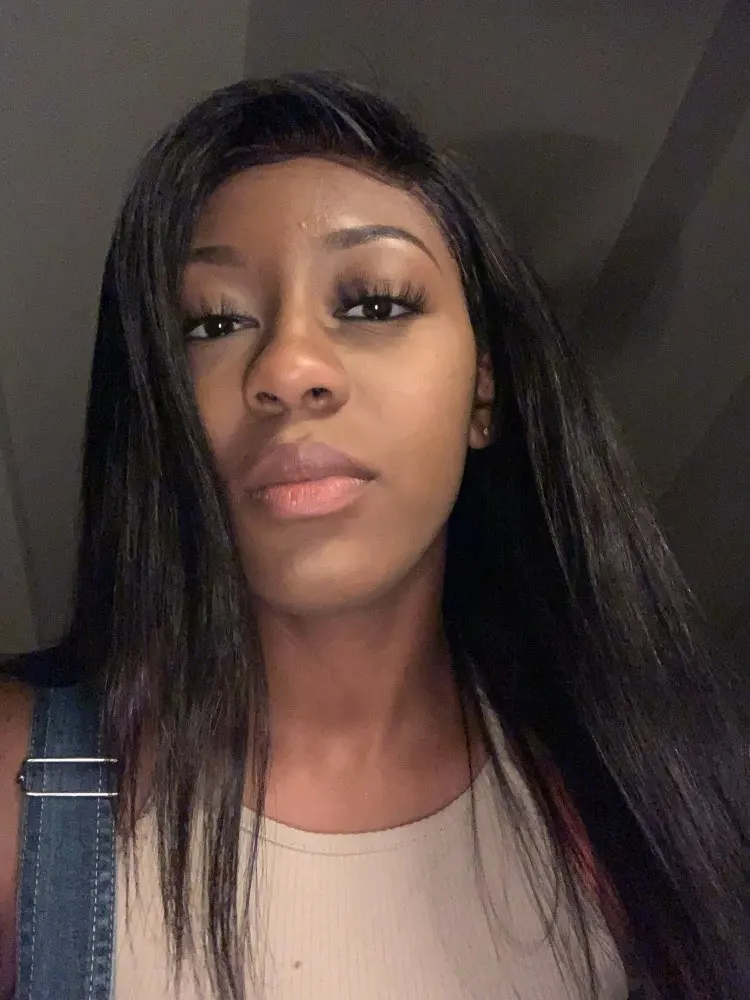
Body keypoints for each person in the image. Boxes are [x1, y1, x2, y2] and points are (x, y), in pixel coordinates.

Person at [0, 72, 747, 1000]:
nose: (288, 368)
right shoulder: (21, 783)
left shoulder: (640, 792)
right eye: (214, 322)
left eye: (377, 303)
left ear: (483, 390)